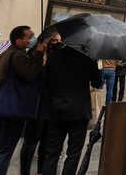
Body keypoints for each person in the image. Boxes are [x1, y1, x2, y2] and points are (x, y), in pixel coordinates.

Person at [0, 26, 48, 175]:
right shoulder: (18, 56)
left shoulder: (2, 55)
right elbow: (30, 74)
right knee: (3, 152)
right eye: (30, 37)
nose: (32, 39)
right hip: (12, 111)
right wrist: (39, 53)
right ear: (18, 40)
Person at [40, 41, 102, 175]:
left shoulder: (54, 57)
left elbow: (45, 81)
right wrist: (94, 63)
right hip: (79, 112)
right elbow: (98, 82)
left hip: (56, 110)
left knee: (51, 153)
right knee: (73, 154)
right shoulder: (87, 59)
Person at [19, 30, 62, 175]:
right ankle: (24, 171)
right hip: (35, 106)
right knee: (30, 143)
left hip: (50, 106)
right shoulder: (34, 54)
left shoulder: (56, 56)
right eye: (54, 41)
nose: (57, 44)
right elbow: (31, 76)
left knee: (46, 143)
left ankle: (41, 171)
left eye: (58, 41)